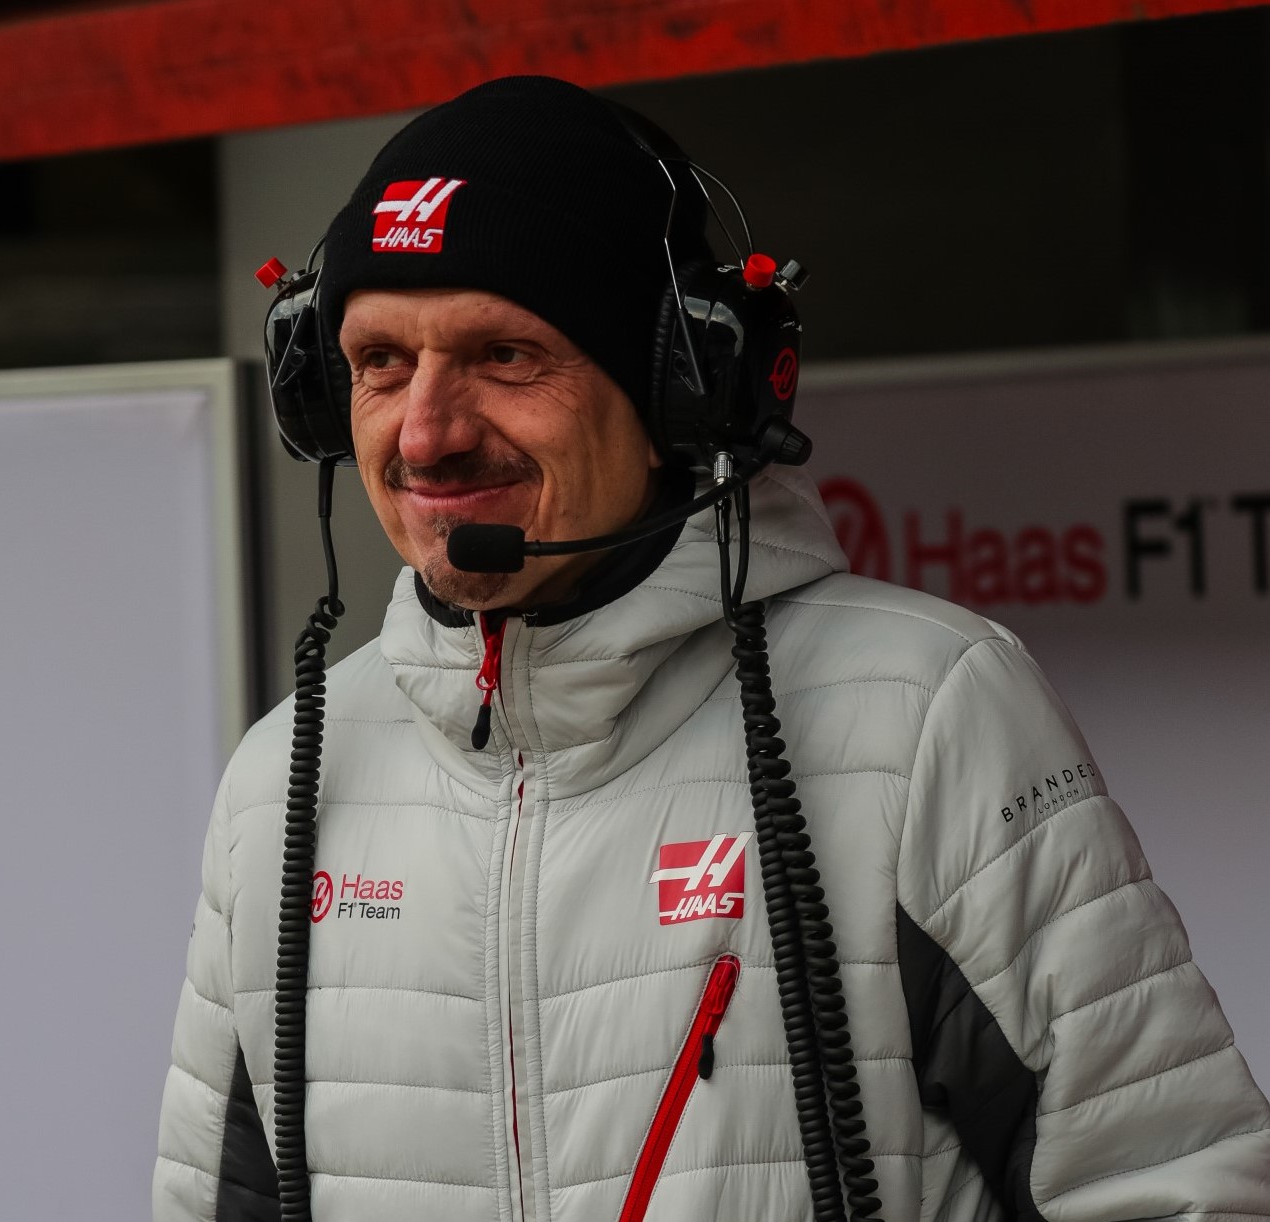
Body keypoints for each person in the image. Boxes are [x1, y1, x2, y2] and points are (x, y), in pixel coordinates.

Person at [153, 76, 1269, 1222]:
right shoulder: (282, 779)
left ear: (679, 386)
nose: (426, 432)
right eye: (379, 361)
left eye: (503, 355)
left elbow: (1175, 1189)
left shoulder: (924, 712)